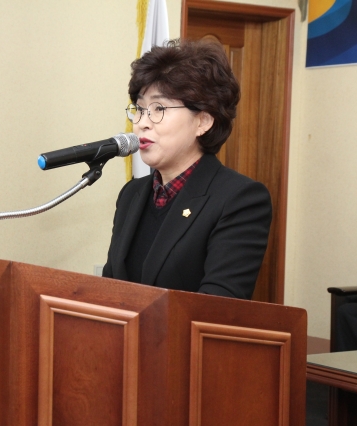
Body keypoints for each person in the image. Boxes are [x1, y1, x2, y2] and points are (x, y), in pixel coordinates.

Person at [102, 39, 272, 299]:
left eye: (158, 108)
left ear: (203, 121)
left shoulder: (239, 200)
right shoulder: (131, 195)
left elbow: (218, 307)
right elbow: (109, 290)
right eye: (140, 109)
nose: (142, 123)